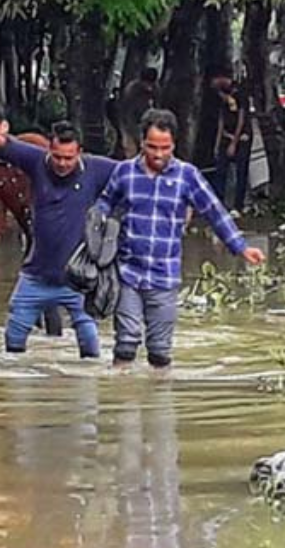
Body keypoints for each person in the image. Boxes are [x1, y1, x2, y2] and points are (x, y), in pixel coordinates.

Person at [96, 109, 266, 370]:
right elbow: (103, 205)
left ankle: (160, 402)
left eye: (165, 147)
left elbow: (215, 212)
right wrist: (92, 238)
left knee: (160, 353)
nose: (159, 154)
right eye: (152, 147)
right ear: (142, 142)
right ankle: (120, 403)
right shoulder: (124, 173)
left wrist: (241, 247)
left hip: (164, 275)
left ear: (174, 144)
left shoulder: (187, 176)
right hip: (127, 272)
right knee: (125, 345)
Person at [0, 120, 119, 359]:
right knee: (13, 343)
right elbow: (6, 145)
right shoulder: (36, 161)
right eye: (57, 157)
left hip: (78, 278)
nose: (62, 164)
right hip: (35, 276)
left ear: (79, 152)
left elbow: (136, 174)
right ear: (49, 150)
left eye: (69, 158)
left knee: (90, 348)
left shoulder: (97, 169)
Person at [0, 102, 63, 336]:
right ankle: (40, 350)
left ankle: (55, 350)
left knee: (46, 299)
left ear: (4, 127)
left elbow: (64, 166)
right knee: (30, 303)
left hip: (60, 227)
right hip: (33, 236)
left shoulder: (31, 144)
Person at [210, 72, 252, 213]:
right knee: (220, 170)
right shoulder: (221, 95)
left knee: (241, 172)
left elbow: (241, 119)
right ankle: (219, 203)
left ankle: (238, 205)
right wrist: (218, 142)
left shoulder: (240, 93)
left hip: (241, 138)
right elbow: (221, 119)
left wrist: (234, 142)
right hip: (226, 136)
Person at [118, 67, 160, 158]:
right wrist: (134, 131)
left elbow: (156, 106)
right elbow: (128, 114)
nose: (149, 87)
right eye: (147, 84)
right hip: (129, 122)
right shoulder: (132, 90)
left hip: (145, 123)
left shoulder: (155, 89)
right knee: (131, 150)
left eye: (151, 84)